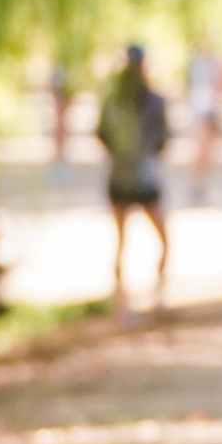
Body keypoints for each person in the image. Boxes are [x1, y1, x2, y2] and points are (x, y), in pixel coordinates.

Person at [96, 45, 170, 319]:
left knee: (121, 240)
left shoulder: (111, 101)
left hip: (118, 177)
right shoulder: (155, 102)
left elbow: (101, 134)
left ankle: (121, 304)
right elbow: (163, 140)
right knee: (163, 238)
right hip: (146, 177)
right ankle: (158, 297)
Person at [185, 40, 222, 206]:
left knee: (208, 150)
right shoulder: (199, 66)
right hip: (202, 110)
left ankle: (201, 182)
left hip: (209, 110)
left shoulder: (213, 64)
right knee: (202, 149)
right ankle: (198, 183)